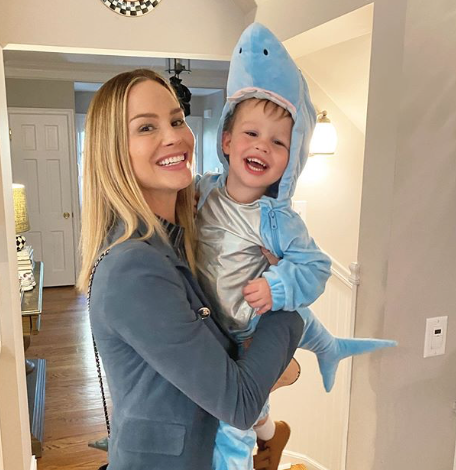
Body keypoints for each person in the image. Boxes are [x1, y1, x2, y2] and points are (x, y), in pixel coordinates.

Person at [77, 68, 305, 470]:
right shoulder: (134, 267)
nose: (175, 137)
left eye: (176, 120)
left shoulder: (180, 240)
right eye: (146, 127)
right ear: (114, 153)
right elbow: (238, 401)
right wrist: (289, 301)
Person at [196, 23, 397, 470]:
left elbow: (316, 267)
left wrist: (278, 287)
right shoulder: (200, 192)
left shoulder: (277, 219)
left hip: (247, 335)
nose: (262, 146)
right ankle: (275, 430)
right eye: (251, 134)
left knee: (231, 426)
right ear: (227, 141)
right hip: (214, 329)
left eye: (278, 141)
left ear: (292, 158)